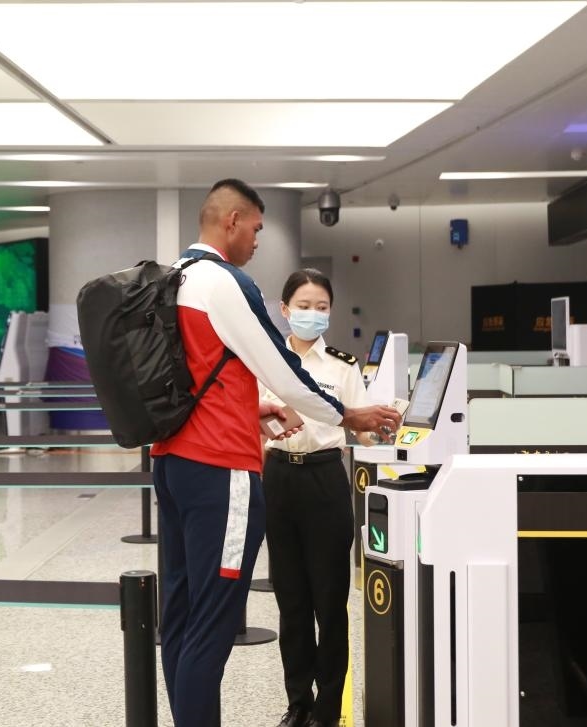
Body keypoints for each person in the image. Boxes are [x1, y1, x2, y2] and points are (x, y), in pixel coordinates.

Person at [150, 179, 401, 727]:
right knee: (213, 625)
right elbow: (283, 371)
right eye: (257, 228)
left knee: (182, 617)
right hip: (220, 469)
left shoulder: (175, 277)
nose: (258, 240)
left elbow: (200, 379)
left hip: (172, 461)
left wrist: (252, 409)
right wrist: (348, 415)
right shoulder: (224, 281)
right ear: (232, 221)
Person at [261, 269, 377, 727]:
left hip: (325, 479)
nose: (313, 314)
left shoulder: (343, 366)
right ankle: (298, 703)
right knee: (291, 601)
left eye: (322, 307)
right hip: (278, 479)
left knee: (329, 602)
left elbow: (362, 426)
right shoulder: (267, 360)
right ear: (285, 309)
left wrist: (388, 432)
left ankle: (328, 708)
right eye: (304, 306)